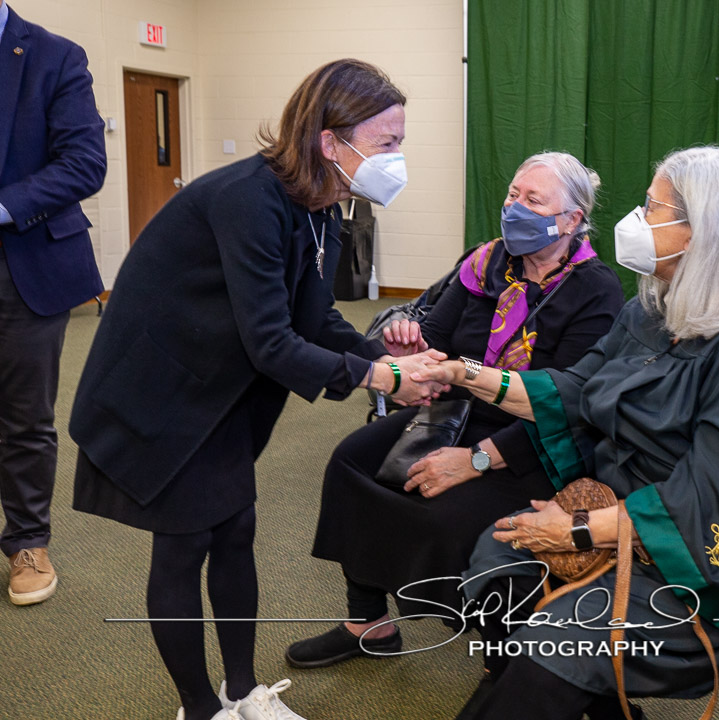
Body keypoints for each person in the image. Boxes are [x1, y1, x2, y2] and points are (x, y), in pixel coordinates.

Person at [69, 59, 444, 720]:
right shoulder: (250, 198)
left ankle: (241, 695)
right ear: (331, 141)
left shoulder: (320, 202)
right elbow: (271, 342)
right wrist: (381, 376)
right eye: (387, 142)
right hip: (159, 394)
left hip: (218, 388)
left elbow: (314, 315)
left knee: (236, 529)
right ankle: (200, 709)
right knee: (184, 546)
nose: (397, 157)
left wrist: (380, 356)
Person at [414, 146, 719, 720]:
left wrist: (581, 530)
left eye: (651, 207)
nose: (636, 221)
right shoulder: (658, 307)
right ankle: (587, 704)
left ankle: (544, 689)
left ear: (703, 229)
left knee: (562, 640)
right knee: (499, 556)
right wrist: (465, 374)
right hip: (638, 508)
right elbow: (576, 390)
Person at [285, 152, 625, 668]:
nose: (515, 208)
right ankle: (368, 624)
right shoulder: (487, 260)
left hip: (535, 439)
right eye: (514, 194)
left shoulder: (596, 290)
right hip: (457, 413)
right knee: (353, 461)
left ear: (572, 220)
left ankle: (503, 662)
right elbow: (437, 340)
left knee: (451, 518)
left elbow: (568, 406)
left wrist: (476, 460)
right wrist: (407, 351)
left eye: (533, 201)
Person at [0, 1, 107, 606]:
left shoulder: (54, 56)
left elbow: (84, 163)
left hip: (23, 259)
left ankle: (27, 542)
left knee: (23, 418)